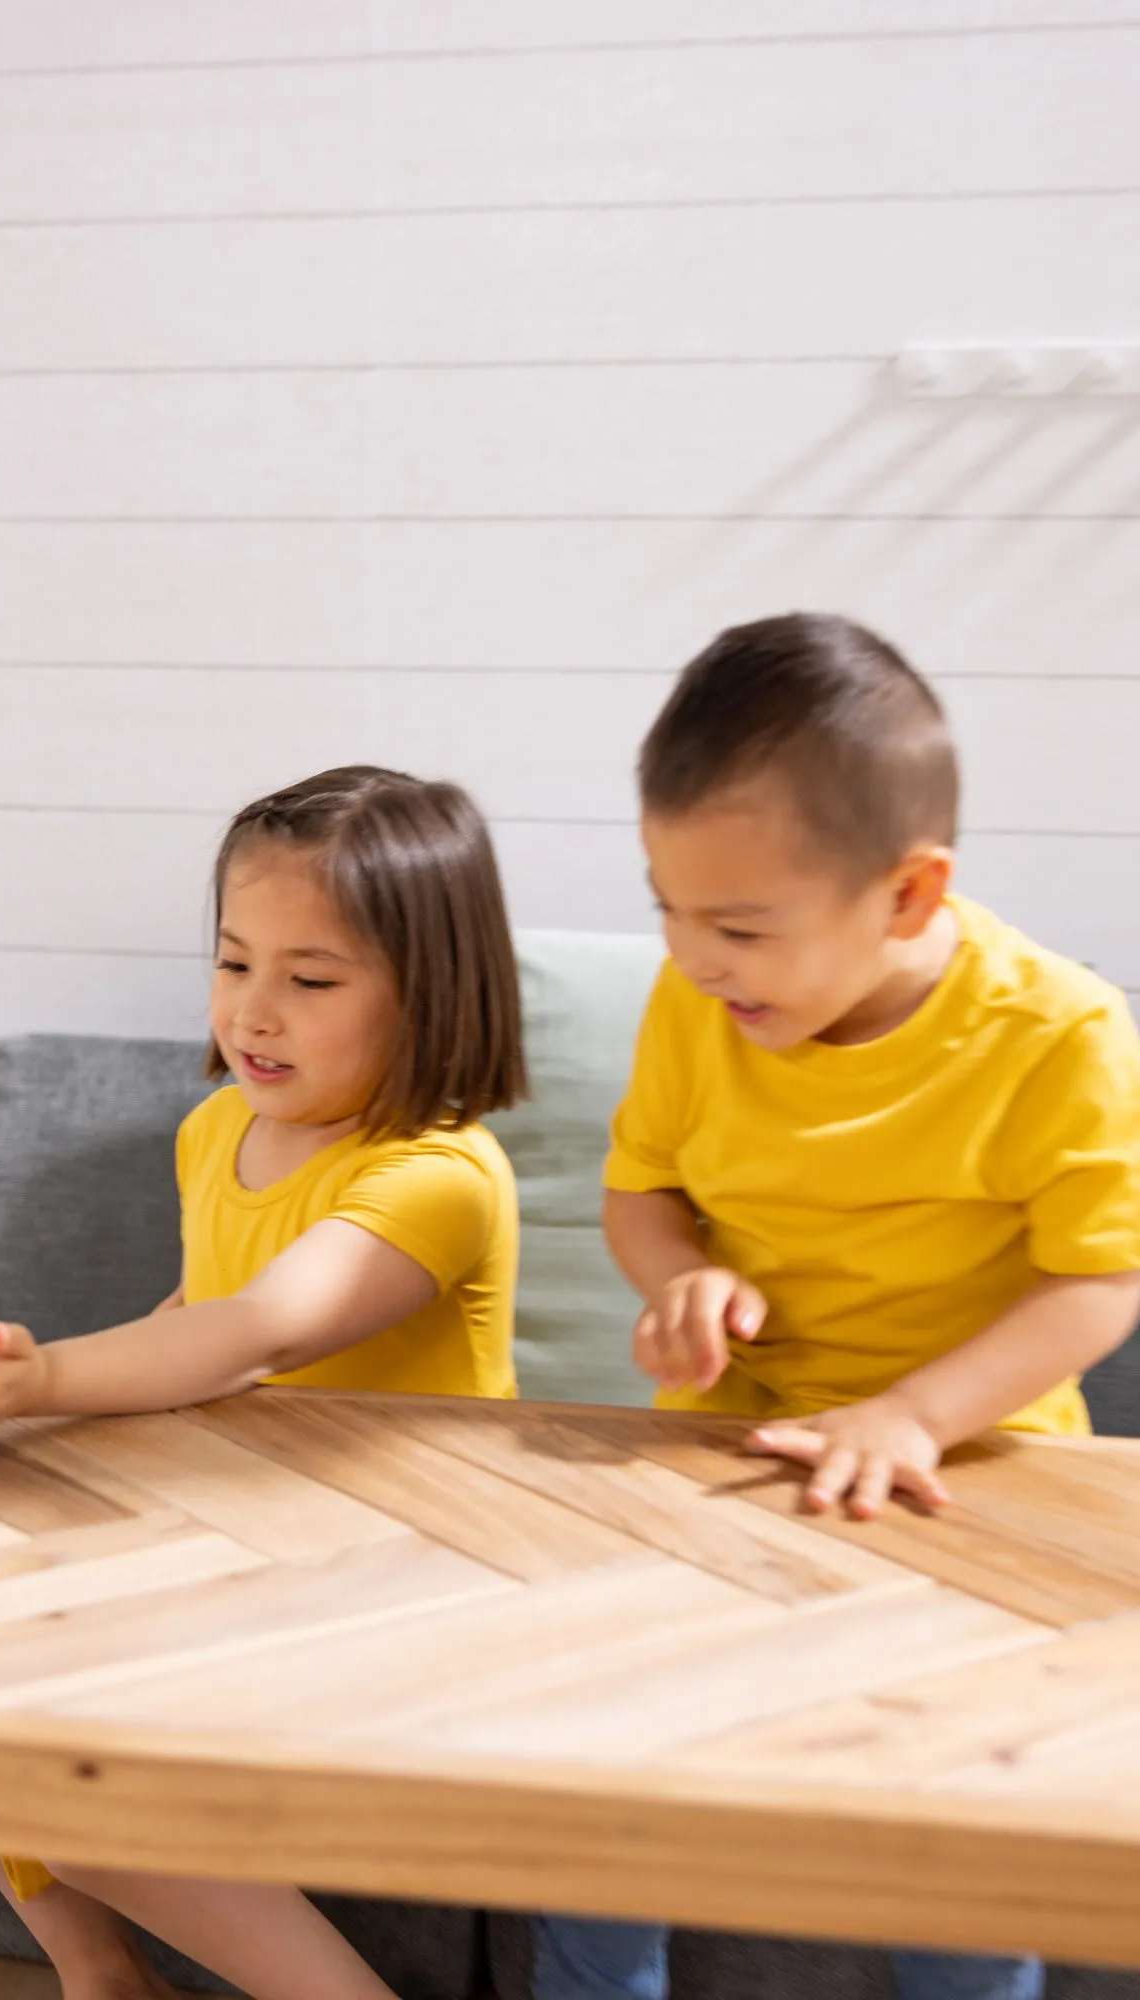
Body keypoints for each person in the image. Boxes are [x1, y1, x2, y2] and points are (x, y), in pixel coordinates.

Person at [535, 613, 1140, 2000]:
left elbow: (1100, 1279)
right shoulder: (707, 1002)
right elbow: (643, 1196)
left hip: (975, 1473)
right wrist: (678, 1276)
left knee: (944, 1835)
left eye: (737, 924)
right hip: (727, 1459)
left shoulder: (1061, 1034)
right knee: (612, 1794)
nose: (693, 959)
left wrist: (916, 1416)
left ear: (910, 897)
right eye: (666, 909)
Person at [0, 763, 529, 2000]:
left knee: (71, 1781)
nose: (253, 1010)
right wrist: (3, 1402)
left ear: (431, 996)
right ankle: (100, 1970)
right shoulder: (213, 1130)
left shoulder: (436, 1176)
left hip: (411, 1565)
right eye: (233, 961)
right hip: (247, 1528)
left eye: (307, 980)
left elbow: (259, 1329)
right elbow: (191, 1319)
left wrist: (43, 1383)